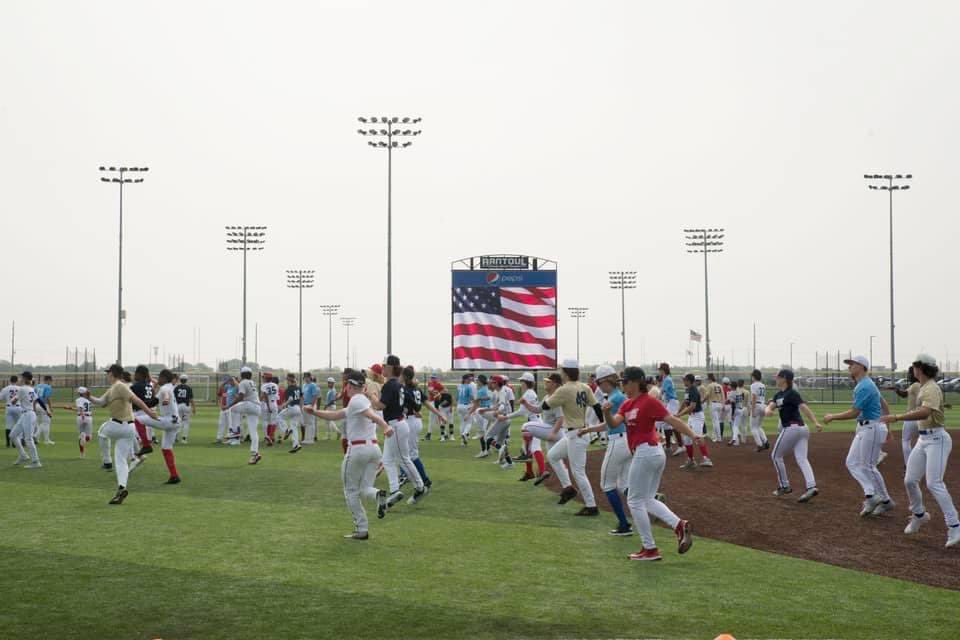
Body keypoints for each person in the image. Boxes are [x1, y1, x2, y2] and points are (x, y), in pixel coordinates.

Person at [603, 367, 697, 561]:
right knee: (646, 499)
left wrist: (693, 435)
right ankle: (679, 525)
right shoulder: (627, 405)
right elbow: (613, 424)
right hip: (649, 453)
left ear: (636, 382)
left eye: (625, 382)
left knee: (634, 501)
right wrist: (606, 413)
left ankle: (650, 548)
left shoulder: (649, 402)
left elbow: (671, 420)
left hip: (649, 452)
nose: (623, 385)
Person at [880, 354, 960, 547]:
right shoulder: (923, 387)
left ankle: (954, 526)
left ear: (922, 368)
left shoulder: (930, 387)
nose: (913, 369)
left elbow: (925, 412)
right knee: (909, 480)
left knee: (934, 483)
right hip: (924, 439)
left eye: (915, 366)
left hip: (937, 440)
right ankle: (919, 514)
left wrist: (897, 417)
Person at [306, 370, 392, 540]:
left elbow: (372, 416)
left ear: (351, 386)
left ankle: (361, 529)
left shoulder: (357, 400)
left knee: (350, 491)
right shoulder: (360, 401)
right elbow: (335, 414)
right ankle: (377, 495)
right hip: (374, 450)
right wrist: (313, 412)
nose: (345, 387)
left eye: (346, 384)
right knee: (365, 488)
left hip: (358, 450)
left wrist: (385, 426)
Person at [823, 355, 895, 516]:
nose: (849, 367)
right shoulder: (867, 384)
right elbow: (885, 405)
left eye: (852, 364)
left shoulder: (865, 386)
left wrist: (832, 417)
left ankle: (880, 498)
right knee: (852, 462)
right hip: (867, 428)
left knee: (868, 466)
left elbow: (854, 412)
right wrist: (888, 429)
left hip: (872, 427)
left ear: (862, 367)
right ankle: (875, 496)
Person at [87, 364, 161, 503]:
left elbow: (136, 400)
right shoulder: (112, 389)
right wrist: (89, 396)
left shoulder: (120, 386)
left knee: (102, 432)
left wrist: (149, 412)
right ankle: (122, 488)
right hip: (129, 429)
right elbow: (101, 402)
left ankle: (107, 462)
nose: (107, 375)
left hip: (118, 425)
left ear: (112, 374)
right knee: (121, 460)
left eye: (108, 373)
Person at [540, 359, 603, 516]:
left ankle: (591, 506)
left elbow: (546, 406)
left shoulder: (564, 389)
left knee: (578, 472)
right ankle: (568, 488)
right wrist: (603, 423)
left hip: (576, 434)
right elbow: (596, 406)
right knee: (553, 455)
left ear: (566, 372)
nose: (561, 372)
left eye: (562, 370)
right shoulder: (584, 386)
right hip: (575, 433)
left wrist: (551, 393)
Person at [578, 365, 631, 535]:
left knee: (606, 485)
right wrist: (589, 430)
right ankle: (651, 501)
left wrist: (589, 429)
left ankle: (623, 524)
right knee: (623, 484)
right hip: (626, 441)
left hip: (618, 442)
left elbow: (611, 424)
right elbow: (610, 423)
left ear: (605, 380)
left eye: (599, 381)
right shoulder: (618, 396)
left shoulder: (613, 399)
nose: (598, 385)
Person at [764, 369, 821, 502]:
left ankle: (784, 486)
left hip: (792, 428)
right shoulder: (779, 394)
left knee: (776, 455)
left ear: (784, 378)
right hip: (802, 429)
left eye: (778, 377)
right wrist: (768, 411)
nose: (776, 379)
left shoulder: (792, 393)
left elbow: (804, 408)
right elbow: (770, 406)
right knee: (802, 459)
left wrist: (816, 422)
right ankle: (811, 486)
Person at [377, 355, 426, 506]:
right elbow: (414, 405)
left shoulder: (390, 385)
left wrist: (370, 396)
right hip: (398, 423)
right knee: (387, 460)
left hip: (396, 425)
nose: (382, 368)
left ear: (391, 368)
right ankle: (394, 490)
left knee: (403, 458)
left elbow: (380, 406)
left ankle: (420, 487)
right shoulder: (399, 385)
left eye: (384, 366)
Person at [401, 366, 444, 491]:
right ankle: (405, 475)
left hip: (409, 421)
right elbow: (426, 404)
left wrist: (414, 410)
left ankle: (425, 480)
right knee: (404, 452)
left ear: (404, 377)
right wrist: (439, 414)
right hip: (413, 421)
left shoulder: (405, 389)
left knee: (411, 454)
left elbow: (409, 406)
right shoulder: (416, 389)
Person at [676, 373, 712, 469]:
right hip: (692, 417)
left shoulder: (694, 391)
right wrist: (677, 412)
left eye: (684, 379)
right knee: (687, 438)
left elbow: (692, 407)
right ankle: (691, 460)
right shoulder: (687, 390)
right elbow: (685, 402)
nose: (683, 381)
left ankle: (707, 459)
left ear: (689, 381)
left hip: (697, 417)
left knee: (698, 437)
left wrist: (679, 415)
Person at [228, 366, 263, 464]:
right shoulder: (252, 382)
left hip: (250, 405)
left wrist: (229, 405)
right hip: (257, 408)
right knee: (253, 431)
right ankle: (255, 454)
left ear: (242, 374)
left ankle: (235, 431)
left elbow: (241, 397)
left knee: (233, 409)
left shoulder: (243, 382)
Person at [10, 371, 44, 468]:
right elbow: (34, 401)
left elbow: (14, 402)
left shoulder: (22, 389)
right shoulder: (31, 389)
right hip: (26, 414)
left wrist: (14, 399)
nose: (20, 379)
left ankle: (36, 462)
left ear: (25, 378)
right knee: (12, 435)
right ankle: (23, 455)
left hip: (28, 414)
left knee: (28, 439)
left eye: (21, 377)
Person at [893, 368, 921, 465]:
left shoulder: (916, 385)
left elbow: (904, 394)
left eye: (910, 373)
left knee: (905, 440)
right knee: (922, 441)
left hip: (912, 417)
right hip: (922, 418)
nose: (909, 375)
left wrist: (897, 389)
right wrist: (896, 389)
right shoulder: (921, 385)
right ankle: (920, 463)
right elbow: (904, 394)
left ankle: (909, 465)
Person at [488, 376, 517, 469]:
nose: (491, 383)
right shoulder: (498, 391)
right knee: (500, 441)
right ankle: (509, 463)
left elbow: (502, 406)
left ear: (497, 383)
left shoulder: (501, 391)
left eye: (493, 382)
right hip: (506, 418)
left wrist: (497, 412)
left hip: (503, 418)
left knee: (487, 437)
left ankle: (500, 449)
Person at [60, 387, 94, 458]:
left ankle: (82, 453)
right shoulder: (88, 400)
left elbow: (80, 409)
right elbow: (80, 408)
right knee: (89, 437)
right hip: (88, 417)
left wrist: (82, 416)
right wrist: (70, 408)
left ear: (79, 393)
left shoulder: (78, 399)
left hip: (81, 417)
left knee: (81, 435)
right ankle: (83, 443)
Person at [657, 364, 683, 456]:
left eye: (660, 370)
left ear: (663, 370)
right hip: (670, 402)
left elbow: (661, 393)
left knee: (671, 422)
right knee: (666, 424)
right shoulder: (666, 379)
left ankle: (681, 445)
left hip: (672, 402)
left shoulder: (667, 379)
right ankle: (668, 446)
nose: (659, 371)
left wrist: (654, 399)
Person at [277, 373, 303, 453]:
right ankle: (296, 445)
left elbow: (290, 399)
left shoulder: (289, 388)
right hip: (298, 408)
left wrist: (282, 406)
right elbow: (302, 398)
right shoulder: (298, 388)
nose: (286, 381)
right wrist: (301, 408)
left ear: (289, 380)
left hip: (292, 407)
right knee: (294, 427)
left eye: (287, 379)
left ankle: (286, 430)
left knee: (278, 417)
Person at [749, 369, 770, 451]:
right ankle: (765, 441)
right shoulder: (763, 385)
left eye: (752, 376)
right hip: (763, 405)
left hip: (757, 405)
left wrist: (752, 410)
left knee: (753, 428)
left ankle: (759, 445)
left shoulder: (753, 385)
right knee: (758, 426)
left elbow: (754, 397)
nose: (752, 377)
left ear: (754, 376)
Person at [456, 373, 477, 446]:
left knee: (462, 423)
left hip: (459, 405)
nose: (470, 380)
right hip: (466, 405)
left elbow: (457, 397)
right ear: (465, 379)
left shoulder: (459, 386)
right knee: (469, 422)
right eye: (468, 379)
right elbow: (471, 397)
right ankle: (465, 434)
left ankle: (462, 442)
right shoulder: (469, 387)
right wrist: (475, 402)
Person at [260, 372, 281, 446]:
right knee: (273, 421)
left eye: (263, 377)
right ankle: (271, 437)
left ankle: (267, 437)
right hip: (274, 403)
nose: (263, 378)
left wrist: (267, 406)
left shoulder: (264, 385)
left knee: (265, 421)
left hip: (266, 404)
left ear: (266, 378)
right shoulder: (275, 385)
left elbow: (264, 396)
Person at [704, 373, 725, 442]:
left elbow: (707, 395)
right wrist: (723, 405)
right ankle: (715, 436)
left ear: (710, 379)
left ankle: (719, 438)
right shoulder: (719, 385)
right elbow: (723, 396)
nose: (707, 381)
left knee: (715, 422)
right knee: (716, 421)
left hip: (713, 404)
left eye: (708, 379)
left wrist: (702, 401)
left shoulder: (710, 385)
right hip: (720, 404)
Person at [174, 375, 195, 444]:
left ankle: (175, 437)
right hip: (186, 406)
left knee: (177, 421)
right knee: (186, 422)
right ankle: (184, 439)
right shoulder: (188, 388)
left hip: (178, 406)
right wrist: (194, 408)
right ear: (186, 380)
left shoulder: (176, 387)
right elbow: (191, 399)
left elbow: (173, 399)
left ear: (180, 380)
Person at [299, 374, 320, 444]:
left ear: (310, 377)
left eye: (307, 377)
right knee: (306, 423)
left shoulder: (313, 385)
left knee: (311, 422)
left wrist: (312, 405)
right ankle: (306, 439)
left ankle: (311, 439)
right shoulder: (304, 385)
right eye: (305, 377)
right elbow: (302, 396)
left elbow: (315, 396)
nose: (306, 378)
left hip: (311, 405)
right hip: (305, 405)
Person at [727, 380, 747, 446]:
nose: (729, 386)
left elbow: (732, 404)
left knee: (734, 426)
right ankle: (735, 440)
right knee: (736, 426)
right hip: (741, 409)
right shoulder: (739, 391)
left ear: (732, 386)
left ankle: (735, 440)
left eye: (730, 385)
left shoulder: (731, 393)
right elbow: (743, 397)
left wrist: (732, 414)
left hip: (735, 410)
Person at [425, 373, 445, 440]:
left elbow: (444, 390)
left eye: (434, 378)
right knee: (436, 419)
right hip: (431, 402)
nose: (432, 379)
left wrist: (438, 394)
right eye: (432, 377)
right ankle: (445, 434)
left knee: (432, 418)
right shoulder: (429, 383)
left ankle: (429, 434)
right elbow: (429, 392)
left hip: (436, 402)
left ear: (436, 378)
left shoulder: (438, 384)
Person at [3, 375, 21, 448]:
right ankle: (15, 443)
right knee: (18, 425)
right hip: (18, 407)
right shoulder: (20, 388)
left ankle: (8, 443)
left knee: (8, 426)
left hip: (9, 407)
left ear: (10, 380)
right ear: (16, 381)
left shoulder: (6, 388)